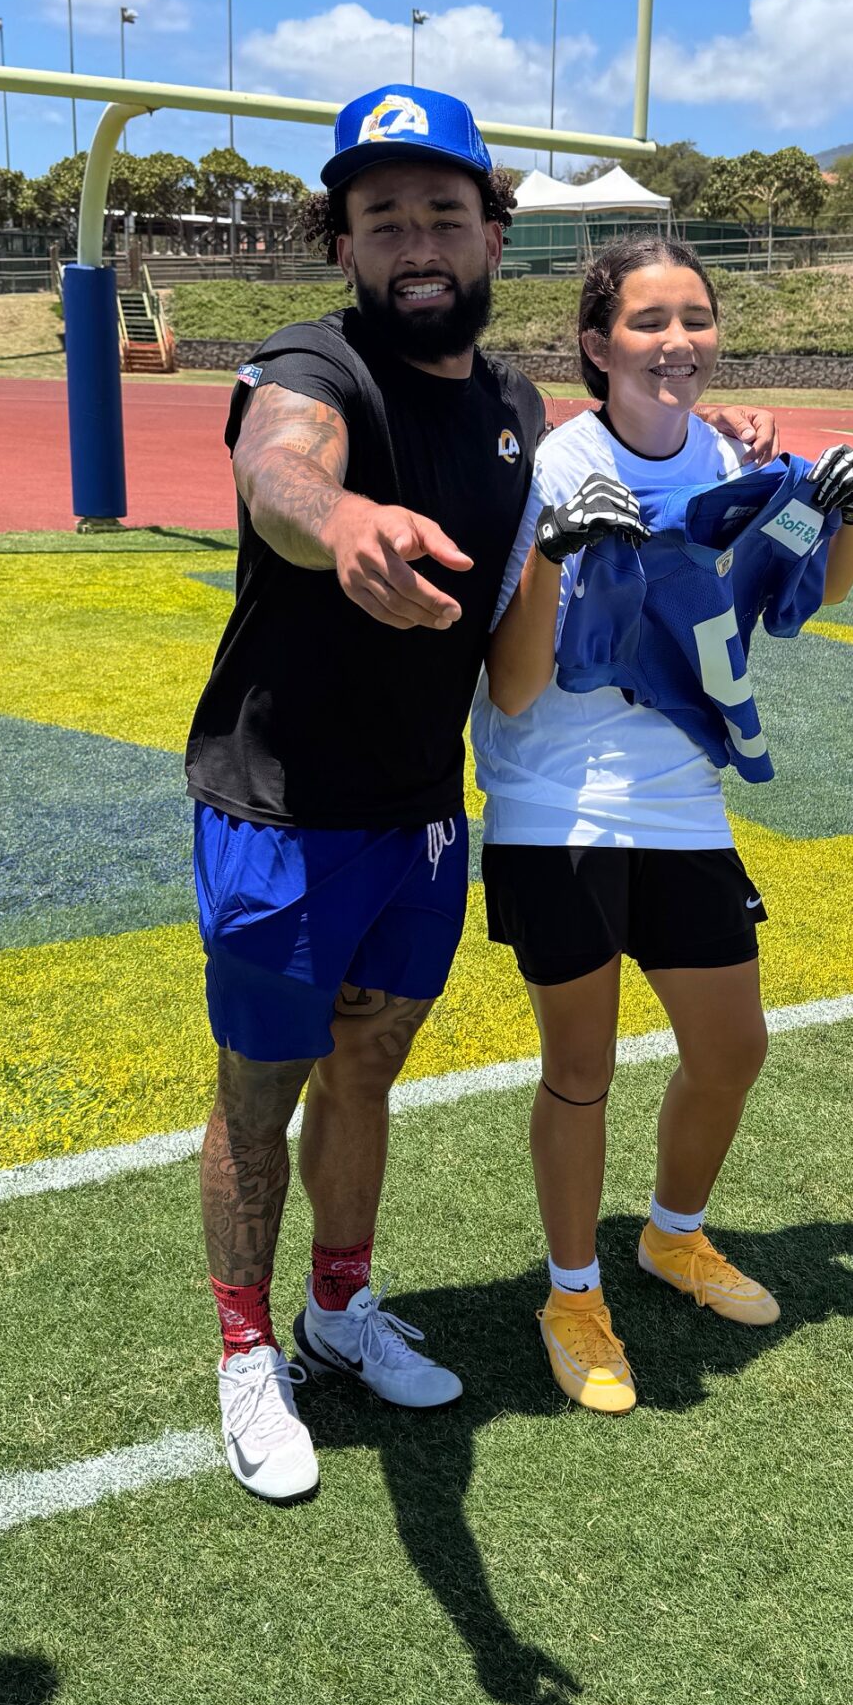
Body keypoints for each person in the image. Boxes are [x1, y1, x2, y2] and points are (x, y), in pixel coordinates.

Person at [187, 88, 780, 1501]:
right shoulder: (312, 364)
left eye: (443, 212)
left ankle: (339, 1309)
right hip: (279, 812)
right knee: (259, 1090)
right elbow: (280, 462)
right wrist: (341, 523)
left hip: (425, 811)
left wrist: (741, 458)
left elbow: (594, 546)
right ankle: (244, 1350)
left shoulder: (516, 406)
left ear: (493, 232)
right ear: (343, 242)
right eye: (382, 216)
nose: (416, 240)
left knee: (369, 1065)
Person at [472, 234, 853, 1413]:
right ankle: (570, 1294)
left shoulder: (728, 457)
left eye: (694, 319)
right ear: (597, 346)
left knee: (731, 1047)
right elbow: (506, 686)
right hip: (556, 807)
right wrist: (556, 550)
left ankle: (672, 1235)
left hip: (682, 803)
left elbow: (808, 589)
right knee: (582, 1069)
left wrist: (843, 516)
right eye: (648, 322)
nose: (677, 342)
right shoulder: (548, 467)